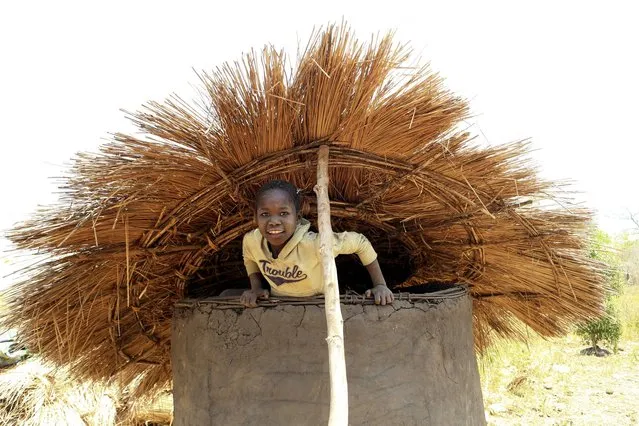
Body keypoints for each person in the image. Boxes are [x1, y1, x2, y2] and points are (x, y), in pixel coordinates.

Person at [239, 179, 394, 308]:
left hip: (318, 304)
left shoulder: (316, 243)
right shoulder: (252, 241)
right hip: (279, 304)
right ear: (256, 218)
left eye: (284, 213)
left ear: (298, 217)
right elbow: (249, 257)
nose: (274, 222)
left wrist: (380, 284)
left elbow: (360, 243)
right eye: (265, 214)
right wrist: (256, 288)